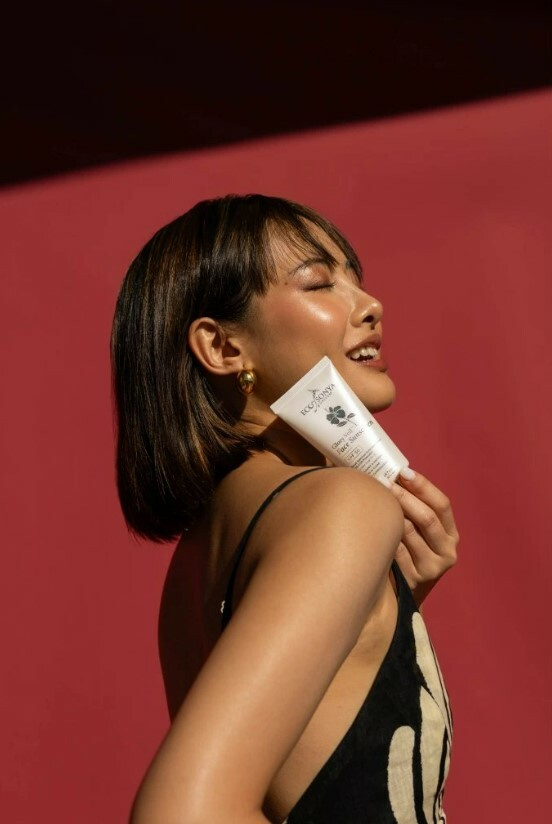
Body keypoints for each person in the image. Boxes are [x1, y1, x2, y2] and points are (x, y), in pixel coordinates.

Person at [110, 194, 459, 824]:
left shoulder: (194, 562)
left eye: (356, 278)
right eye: (320, 283)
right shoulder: (342, 504)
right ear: (222, 348)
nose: (369, 305)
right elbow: (182, 812)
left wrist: (383, 616)